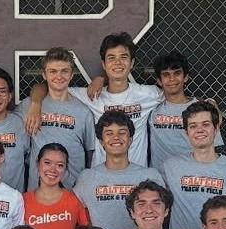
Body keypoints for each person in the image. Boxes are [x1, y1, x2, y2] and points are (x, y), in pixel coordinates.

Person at [26, 33, 162, 167]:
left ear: (132, 63)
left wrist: (101, 78)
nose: (118, 62)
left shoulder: (148, 94)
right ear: (103, 64)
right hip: (101, 175)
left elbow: (174, 93)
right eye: (111, 58)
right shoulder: (90, 95)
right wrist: (36, 104)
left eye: (123, 57)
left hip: (136, 174)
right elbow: (47, 86)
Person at [160, 101, 226, 229]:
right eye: (193, 126)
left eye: (205, 124)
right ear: (186, 132)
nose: (199, 130)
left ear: (216, 128)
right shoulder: (170, 167)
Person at [73, 111, 164, 229]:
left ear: (130, 140)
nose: (116, 137)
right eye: (109, 133)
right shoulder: (86, 177)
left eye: (122, 132)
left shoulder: (150, 176)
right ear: (101, 142)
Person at [18, 47, 96, 189]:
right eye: (53, 71)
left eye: (64, 71)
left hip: (72, 189)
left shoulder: (83, 112)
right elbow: (3, 119)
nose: (59, 76)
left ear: (72, 74)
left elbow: (90, 153)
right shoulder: (29, 106)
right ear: (44, 74)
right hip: (38, 189)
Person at [147, 51, 224, 170]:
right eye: (166, 75)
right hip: (160, 179)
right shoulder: (152, 107)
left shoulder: (202, 108)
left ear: (186, 77)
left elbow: (214, 148)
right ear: (159, 80)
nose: (172, 79)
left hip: (192, 176)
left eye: (177, 73)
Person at [22, 143, 90, 229]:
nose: (53, 170)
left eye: (60, 165)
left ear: (65, 169)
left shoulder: (74, 200)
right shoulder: (22, 201)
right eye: (47, 163)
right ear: (37, 164)